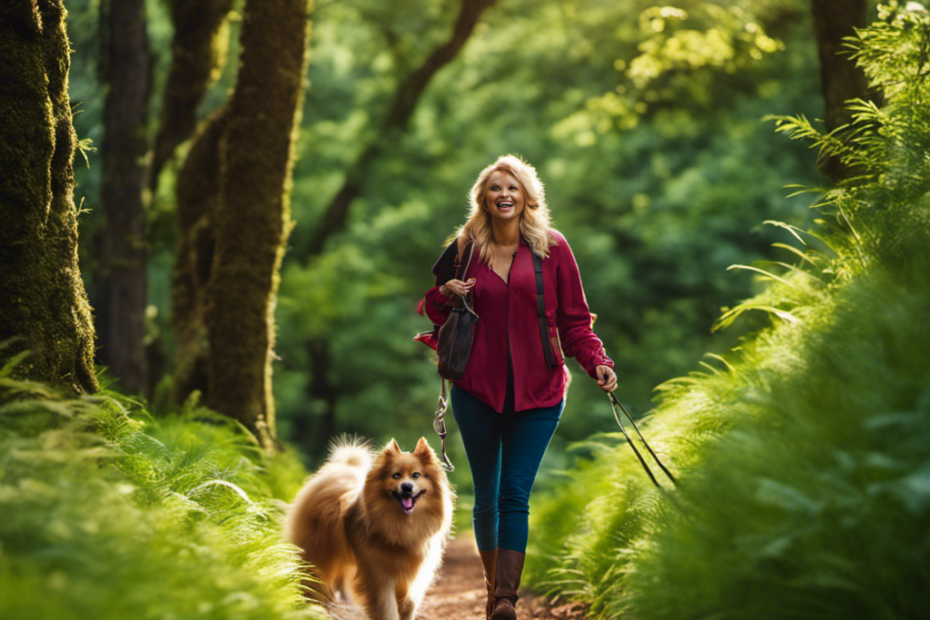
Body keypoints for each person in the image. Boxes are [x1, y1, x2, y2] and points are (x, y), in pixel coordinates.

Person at [417, 154, 617, 620]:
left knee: (515, 494)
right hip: (477, 388)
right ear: (483, 198)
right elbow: (432, 308)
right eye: (494, 189)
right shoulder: (464, 247)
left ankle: (505, 600)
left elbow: (575, 322)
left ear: (528, 196)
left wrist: (597, 362)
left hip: (540, 391)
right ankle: (493, 592)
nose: (504, 195)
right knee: (486, 493)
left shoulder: (553, 248)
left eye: (513, 188)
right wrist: (446, 294)